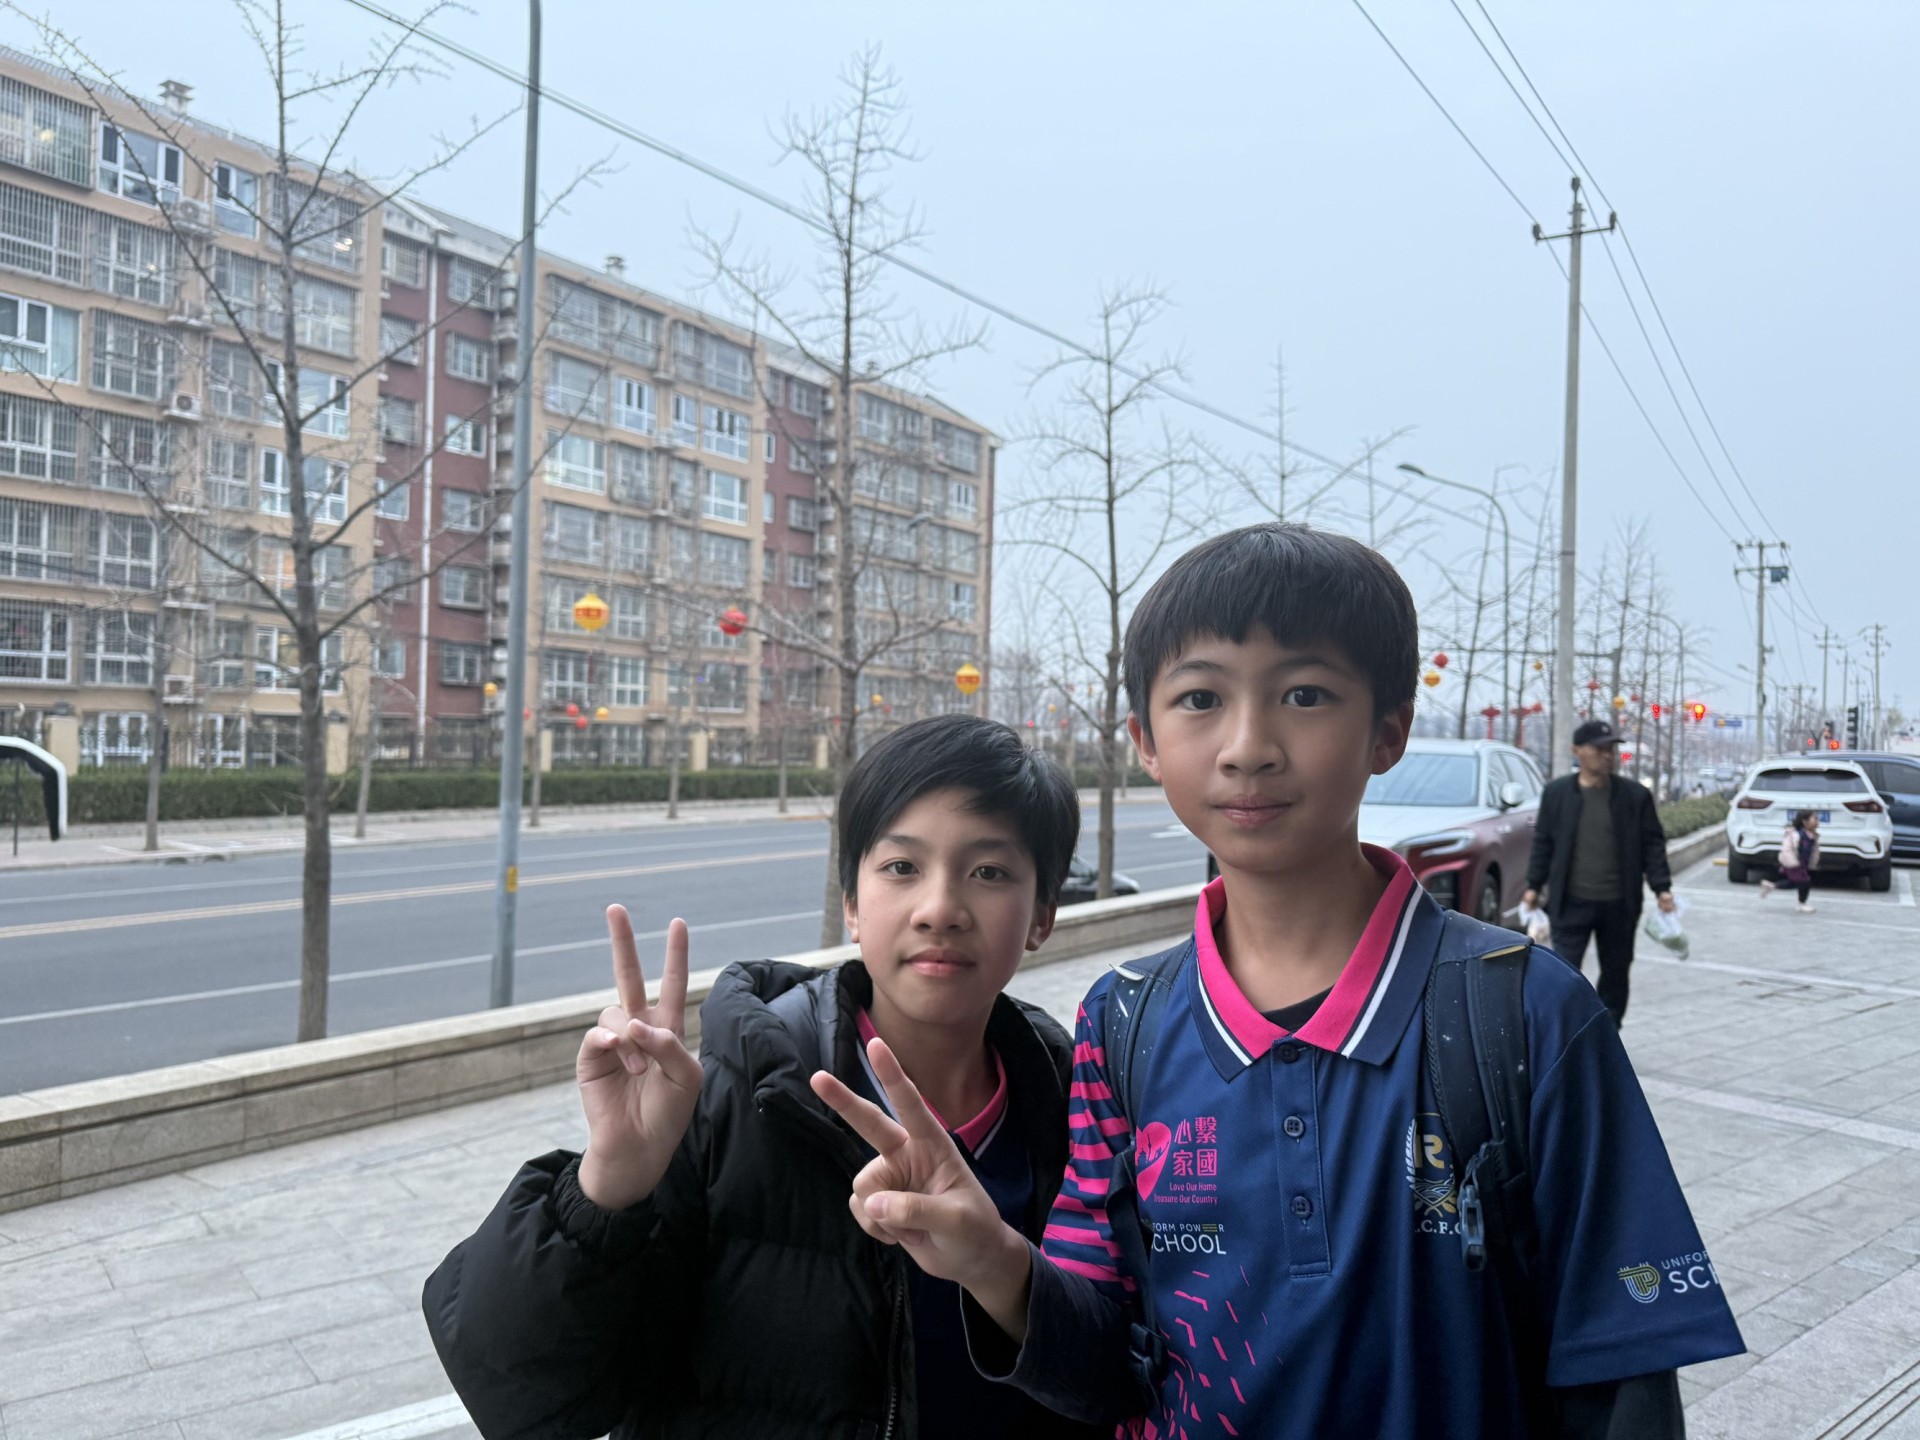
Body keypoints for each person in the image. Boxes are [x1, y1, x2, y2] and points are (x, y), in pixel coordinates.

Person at [812, 522, 1743, 1438]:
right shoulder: (1123, 1023)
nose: (1247, 745)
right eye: (1200, 698)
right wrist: (993, 1261)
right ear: (1144, 739)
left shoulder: (1526, 1012)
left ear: (1387, 730)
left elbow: (1623, 1386)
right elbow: (1105, 1367)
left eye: (1304, 694)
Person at [422, 713, 1100, 1439]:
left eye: (989, 872)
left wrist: (1005, 1272)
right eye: (902, 867)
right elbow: (528, 1399)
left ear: (1043, 914)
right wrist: (607, 1185)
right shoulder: (736, 1096)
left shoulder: (1079, 1104)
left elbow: (1117, 1372)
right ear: (852, 905)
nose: (940, 910)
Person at [1521, 718, 1676, 1029]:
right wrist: (1533, 886)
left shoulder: (1634, 797)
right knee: (1564, 972)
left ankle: (1608, 1031)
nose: (1607, 756)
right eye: (1599, 749)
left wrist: (1662, 888)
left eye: (1611, 750)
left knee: (1616, 974)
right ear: (1576, 750)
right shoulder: (1557, 794)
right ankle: (1565, 1031)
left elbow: (1652, 844)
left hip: (1619, 904)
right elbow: (1544, 842)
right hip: (1570, 902)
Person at [1760, 810, 1820, 911]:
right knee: (1805, 881)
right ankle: (1801, 904)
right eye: (1815, 819)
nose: (1817, 822)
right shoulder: (1795, 834)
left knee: (1794, 882)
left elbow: (1813, 851)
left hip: (1801, 864)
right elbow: (1787, 850)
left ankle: (1771, 886)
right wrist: (1793, 863)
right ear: (1805, 822)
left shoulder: (1812, 835)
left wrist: (1812, 863)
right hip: (1793, 863)